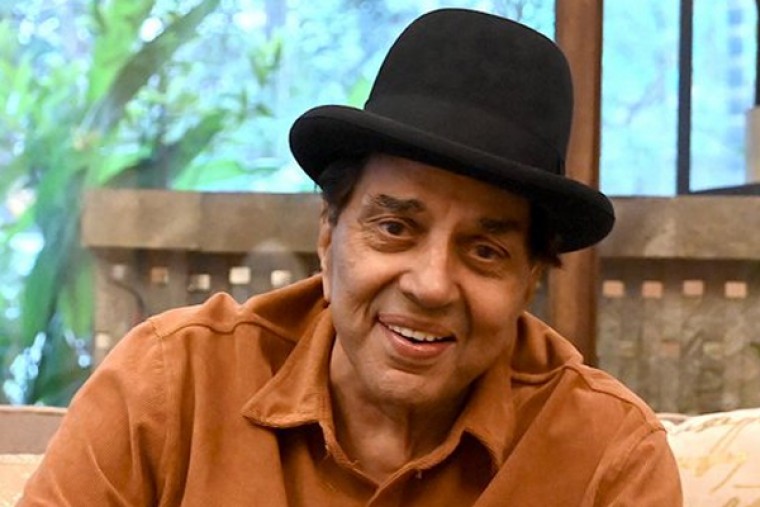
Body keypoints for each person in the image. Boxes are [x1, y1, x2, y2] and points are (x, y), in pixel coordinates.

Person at [20, 8, 682, 506]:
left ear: (528, 279)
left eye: (485, 250)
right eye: (394, 228)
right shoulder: (171, 387)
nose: (431, 284)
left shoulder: (606, 457)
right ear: (328, 233)